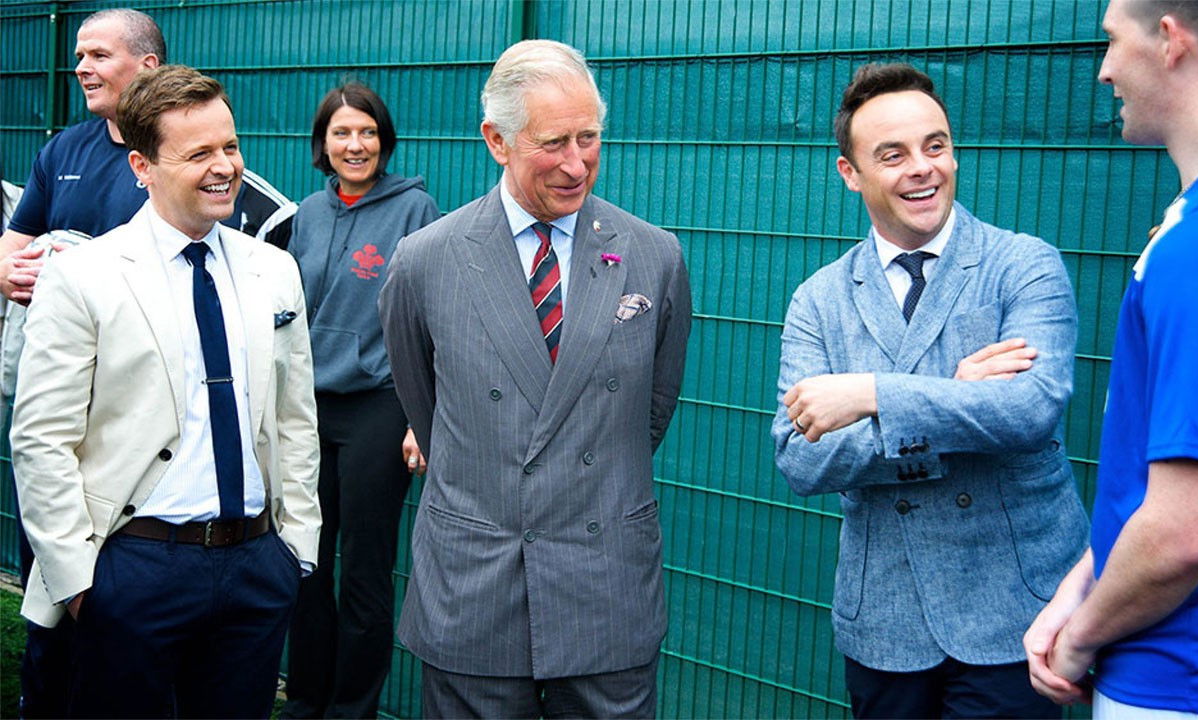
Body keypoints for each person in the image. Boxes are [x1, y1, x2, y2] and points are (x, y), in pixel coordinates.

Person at [379, 39, 692, 719]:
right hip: (476, 585)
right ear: (497, 140)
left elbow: (649, 413)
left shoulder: (654, 256)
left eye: (590, 138)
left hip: (606, 577)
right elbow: (426, 408)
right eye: (554, 143)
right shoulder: (425, 260)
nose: (577, 164)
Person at [773, 62, 1089, 719]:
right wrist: (953, 393)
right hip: (886, 623)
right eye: (893, 154)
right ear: (850, 173)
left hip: (1013, 615)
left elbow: (1029, 410)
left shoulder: (1022, 265)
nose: (922, 167)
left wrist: (870, 395)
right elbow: (800, 459)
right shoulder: (819, 301)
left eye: (935, 145)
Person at [10, 64, 322, 718]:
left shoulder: (275, 270)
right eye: (198, 152)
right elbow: (42, 439)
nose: (224, 167)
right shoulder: (85, 277)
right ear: (142, 166)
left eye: (230, 146)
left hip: (256, 568)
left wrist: (296, 551)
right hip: (131, 568)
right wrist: (80, 583)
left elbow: (295, 419)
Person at [1024, 2, 1198, 718]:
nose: (1105, 69)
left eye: (1112, 40)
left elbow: (1183, 532)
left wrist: (1081, 637)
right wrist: (1082, 585)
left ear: (1170, 40)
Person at [282, 81, 440, 720]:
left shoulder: (415, 210)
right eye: (343, 132)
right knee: (305, 566)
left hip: (379, 406)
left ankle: (352, 710)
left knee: (366, 576)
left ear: (384, 140)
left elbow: (431, 318)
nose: (356, 144)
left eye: (367, 132)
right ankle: (305, 702)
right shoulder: (307, 214)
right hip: (306, 410)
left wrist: (418, 416)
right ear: (323, 142)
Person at [0, 8, 294, 307]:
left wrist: (93, 284)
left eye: (99, 56)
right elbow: (15, 239)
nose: (81, 68)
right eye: (80, 57)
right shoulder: (62, 149)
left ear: (148, 66)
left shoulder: (217, 180)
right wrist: (7, 272)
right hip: (67, 333)